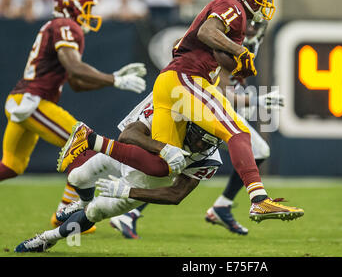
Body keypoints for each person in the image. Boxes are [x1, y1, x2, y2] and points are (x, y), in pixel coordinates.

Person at [58, 0, 303, 224]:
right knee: (236, 131)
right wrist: (240, 53)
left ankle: (90, 140)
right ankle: (258, 200)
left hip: (171, 82)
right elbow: (206, 32)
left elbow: (215, 53)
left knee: (161, 166)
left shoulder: (235, 18)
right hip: (186, 78)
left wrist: (238, 64)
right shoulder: (233, 7)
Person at [109, 20, 283, 238]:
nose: (253, 30)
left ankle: (222, 206)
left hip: (205, 104)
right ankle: (129, 209)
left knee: (248, 151)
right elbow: (220, 89)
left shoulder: (236, 45)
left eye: (256, 26)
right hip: (196, 105)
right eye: (251, 24)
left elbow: (226, 88)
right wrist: (253, 101)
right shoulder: (218, 41)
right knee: (176, 163)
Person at [0, 0, 147, 232]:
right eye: (87, 7)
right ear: (74, 6)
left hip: (22, 100)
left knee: (11, 166)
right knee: (83, 144)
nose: (90, 12)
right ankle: (65, 215)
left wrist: (112, 80)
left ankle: (67, 214)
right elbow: (76, 67)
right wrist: (114, 79)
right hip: (33, 101)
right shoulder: (66, 26)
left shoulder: (57, 27)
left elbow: (77, 83)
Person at [14, 93, 223, 252]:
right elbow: (127, 134)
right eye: (200, 138)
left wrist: (127, 192)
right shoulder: (171, 118)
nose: (200, 146)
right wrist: (163, 148)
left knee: (94, 213)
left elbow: (176, 195)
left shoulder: (209, 158)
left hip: (142, 185)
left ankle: (47, 239)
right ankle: (83, 201)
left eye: (208, 143)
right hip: (129, 156)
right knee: (76, 177)